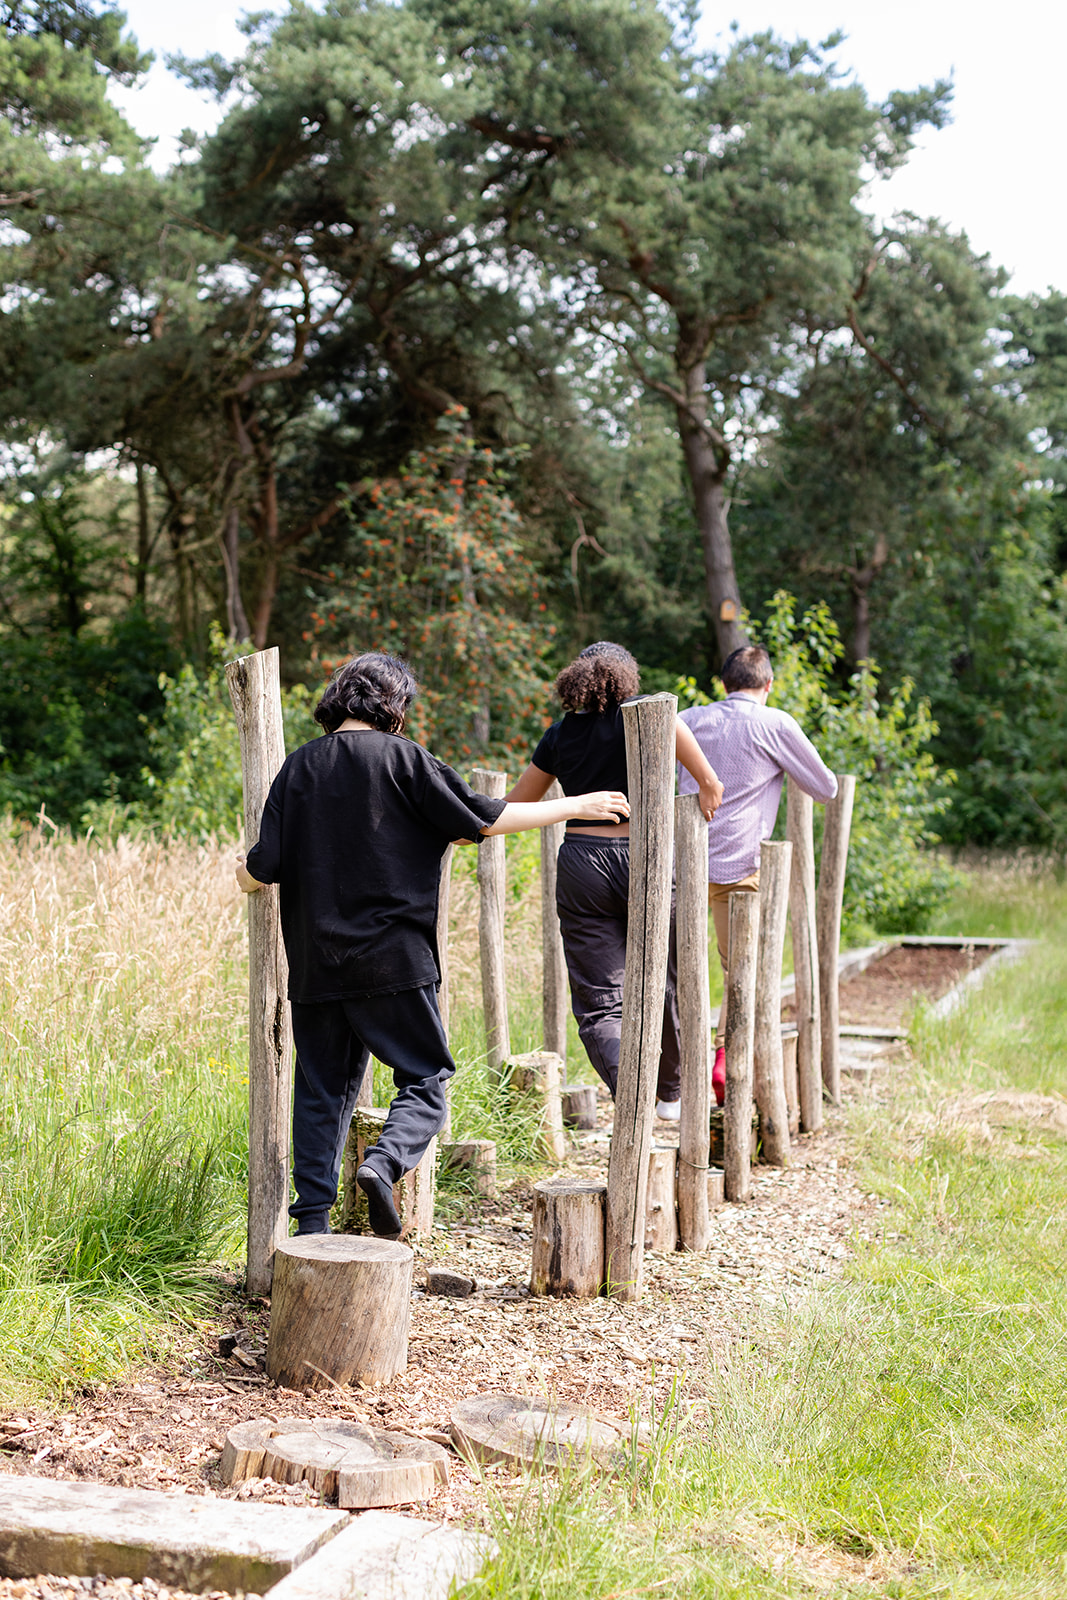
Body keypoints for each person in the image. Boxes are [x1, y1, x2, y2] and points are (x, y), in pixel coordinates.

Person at [235, 651, 629, 1240]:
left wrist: (239, 872)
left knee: (321, 1091)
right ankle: (384, 1163)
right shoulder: (404, 760)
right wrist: (578, 804)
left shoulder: (298, 768)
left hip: (317, 965)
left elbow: (261, 869)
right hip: (395, 960)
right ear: (393, 705)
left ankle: (311, 1226)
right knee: (425, 1080)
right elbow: (483, 819)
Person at [506, 641, 724, 1119]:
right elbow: (701, 768)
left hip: (583, 860)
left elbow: (519, 804)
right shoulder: (651, 719)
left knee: (601, 1000)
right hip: (645, 855)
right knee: (664, 977)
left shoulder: (560, 735)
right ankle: (670, 1095)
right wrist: (704, 796)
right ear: (627, 678)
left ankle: (633, 1093)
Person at [678, 645, 837, 1104]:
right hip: (741, 870)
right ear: (768, 684)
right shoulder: (775, 724)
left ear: (723, 683)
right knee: (738, 973)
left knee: (675, 969)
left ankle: (673, 1072)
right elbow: (825, 788)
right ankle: (726, 1064)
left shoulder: (690, 719)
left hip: (683, 865)